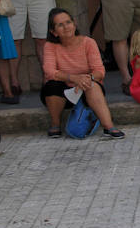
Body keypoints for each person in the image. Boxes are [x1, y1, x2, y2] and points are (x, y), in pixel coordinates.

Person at [41, 8, 124, 139]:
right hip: (65, 90)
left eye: (68, 22)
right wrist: (74, 78)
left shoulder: (88, 42)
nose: (66, 27)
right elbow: (49, 71)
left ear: (74, 24)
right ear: (54, 32)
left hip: (86, 87)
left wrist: (85, 79)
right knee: (51, 86)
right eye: (60, 25)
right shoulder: (50, 46)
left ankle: (109, 127)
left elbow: (99, 71)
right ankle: (55, 124)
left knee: (92, 85)